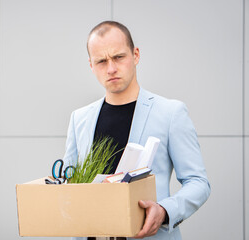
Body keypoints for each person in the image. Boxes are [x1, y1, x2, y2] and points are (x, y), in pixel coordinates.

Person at [62, 21, 211, 240]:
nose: (111, 68)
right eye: (101, 61)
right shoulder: (79, 118)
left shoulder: (171, 113)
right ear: (91, 66)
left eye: (119, 57)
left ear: (136, 55)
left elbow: (198, 182)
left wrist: (164, 211)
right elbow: (68, 181)